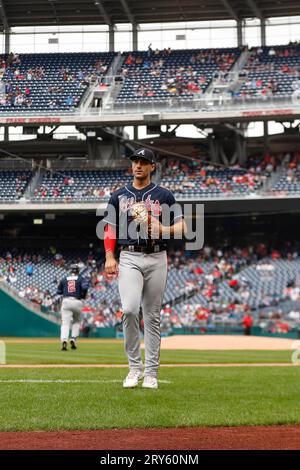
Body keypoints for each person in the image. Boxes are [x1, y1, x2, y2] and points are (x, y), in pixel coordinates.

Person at [103, 148, 186, 389]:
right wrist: (110, 255)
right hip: (129, 256)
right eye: (135, 161)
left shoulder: (164, 195)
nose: (138, 165)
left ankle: (151, 373)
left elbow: (182, 227)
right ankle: (133, 368)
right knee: (129, 310)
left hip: (157, 256)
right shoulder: (118, 196)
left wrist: (163, 230)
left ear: (152, 167)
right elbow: (109, 228)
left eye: (144, 162)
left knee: (152, 316)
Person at [57, 264, 89, 351]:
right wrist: (83, 295)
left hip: (66, 301)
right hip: (77, 301)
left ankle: (64, 339)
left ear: (70, 271)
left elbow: (58, 292)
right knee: (76, 322)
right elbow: (85, 287)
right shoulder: (81, 279)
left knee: (65, 323)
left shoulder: (64, 279)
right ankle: (73, 338)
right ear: (78, 271)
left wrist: (65, 291)